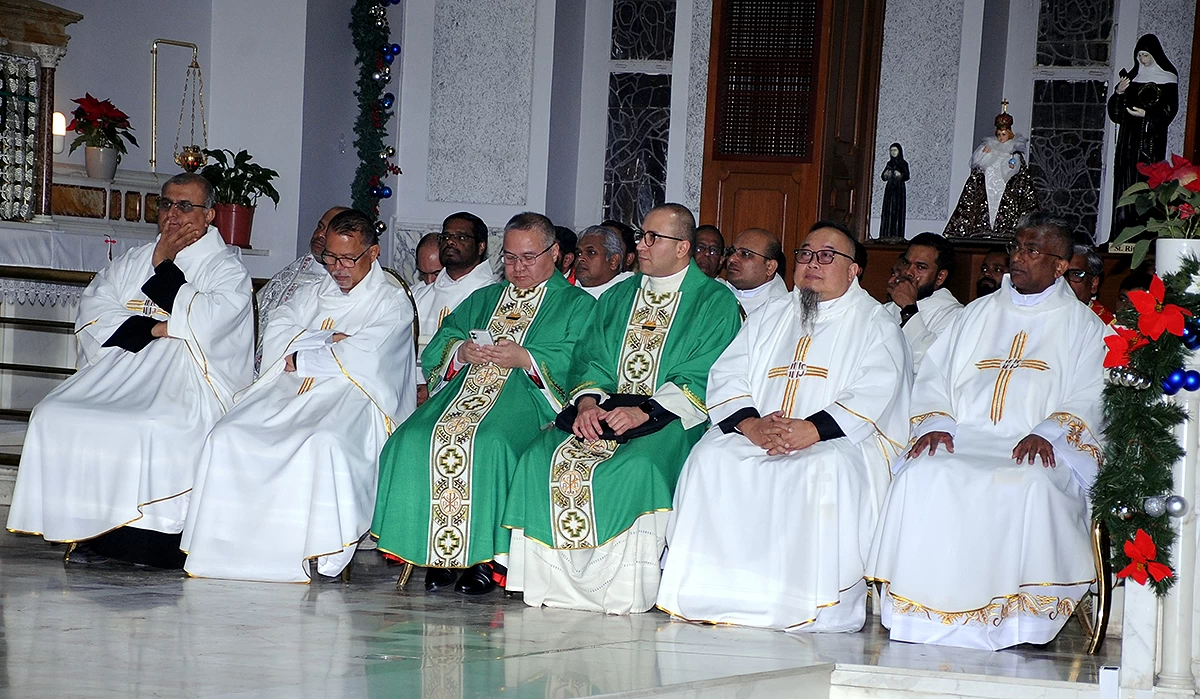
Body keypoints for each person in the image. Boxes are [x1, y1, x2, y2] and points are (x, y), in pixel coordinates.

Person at [867, 213, 1107, 651]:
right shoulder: (975, 314)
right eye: (1016, 247)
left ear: (1059, 265)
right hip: (964, 434)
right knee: (920, 475)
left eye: (1031, 251)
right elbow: (933, 375)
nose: (1017, 257)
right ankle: (916, 612)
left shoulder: (1084, 327)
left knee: (1030, 482)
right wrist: (936, 422)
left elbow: (1092, 391)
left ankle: (1016, 620)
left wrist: (1050, 432)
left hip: (1035, 443)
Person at [658, 223, 911, 631]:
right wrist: (751, 424)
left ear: (853, 271)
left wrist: (812, 430)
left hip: (837, 439)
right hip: (762, 432)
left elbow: (876, 389)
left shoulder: (874, 322)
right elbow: (729, 373)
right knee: (711, 458)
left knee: (822, 470)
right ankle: (711, 590)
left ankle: (803, 600)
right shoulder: (772, 314)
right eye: (806, 254)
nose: (812, 263)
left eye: (827, 256)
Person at [502, 203, 742, 614]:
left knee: (638, 467)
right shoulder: (617, 295)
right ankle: (548, 586)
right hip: (607, 408)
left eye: (652, 238)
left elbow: (707, 371)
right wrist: (588, 402)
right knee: (539, 456)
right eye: (640, 235)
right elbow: (590, 358)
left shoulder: (713, 302)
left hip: (674, 416)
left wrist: (646, 411)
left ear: (683, 247)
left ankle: (620, 590)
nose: (640, 245)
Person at [7, 173, 254, 568]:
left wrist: (164, 268)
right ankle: (91, 528)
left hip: (187, 378)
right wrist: (157, 327)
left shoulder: (226, 269)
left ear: (209, 216)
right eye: (167, 204)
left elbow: (213, 326)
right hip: (122, 365)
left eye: (185, 207)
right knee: (55, 413)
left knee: (154, 424)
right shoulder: (135, 259)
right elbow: (96, 310)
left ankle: (151, 541)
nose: (173, 215)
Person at [182, 210, 416, 583]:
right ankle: (224, 545)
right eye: (330, 258)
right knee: (227, 434)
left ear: (373, 254)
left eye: (348, 259)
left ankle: (317, 549)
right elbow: (279, 330)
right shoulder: (313, 290)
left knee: (324, 443)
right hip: (288, 387)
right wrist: (327, 343)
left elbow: (371, 355)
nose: (337, 268)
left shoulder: (390, 301)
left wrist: (307, 353)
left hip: (352, 396)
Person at [371, 213, 595, 596]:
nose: (517, 268)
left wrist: (526, 358)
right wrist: (462, 352)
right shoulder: (484, 297)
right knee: (411, 439)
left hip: (528, 397)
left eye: (527, 258)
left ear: (555, 253)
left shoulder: (578, 305)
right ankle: (437, 552)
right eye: (509, 258)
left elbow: (583, 359)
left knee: (490, 442)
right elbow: (446, 339)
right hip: (463, 392)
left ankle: (487, 560)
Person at [254, 206, 347, 373]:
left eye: (329, 231)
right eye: (320, 227)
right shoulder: (295, 269)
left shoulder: (340, 286)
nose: (320, 235)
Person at [1108, 34, 1179, 239]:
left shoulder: (1167, 79)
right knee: (1125, 183)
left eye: (1146, 55)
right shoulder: (1133, 78)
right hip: (1128, 141)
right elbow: (1116, 115)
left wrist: (1147, 115)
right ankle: (1121, 232)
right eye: (1139, 55)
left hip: (1149, 144)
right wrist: (1119, 93)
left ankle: (1144, 235)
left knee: (1146, 184)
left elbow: (1169, 111)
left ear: (1155, 55)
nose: (1142, 60)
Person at [944, 102, 1040, 239]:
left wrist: (1011, 167)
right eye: (999, 134)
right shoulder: (990, 147)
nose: (1001, 137)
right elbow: (979, 168)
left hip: (1005, 185)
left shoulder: (1014, 152)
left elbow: (1019, 178)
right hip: (989, 183)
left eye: (1004, 134)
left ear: (1009, 134)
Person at [413, 212, 499, 358]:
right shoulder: (417, 295)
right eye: (446, 237)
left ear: (481, 246)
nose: (450, 242)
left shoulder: (492, 296)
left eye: (461, 237)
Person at [882, 232, 963, 370]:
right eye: (907, 263)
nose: (908, 272)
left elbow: (930, 364)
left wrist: (909, 309)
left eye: (920, 267)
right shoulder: (885, 309)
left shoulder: (955, 315)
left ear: (940, 277)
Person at [720, 228, 788, 316]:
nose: (732, 259)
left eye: (745, 254)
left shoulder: (783, 311)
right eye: (732, 251)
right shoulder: (713, 292)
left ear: (770, 267)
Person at [574, 225, 632, 298]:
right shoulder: (567, 291)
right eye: (578, 253)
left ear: (613, 261)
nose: (580, 258)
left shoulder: (627, 295)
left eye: (591, 252)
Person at [1066, 245, 1114, 324]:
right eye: (1061, 275)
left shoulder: (1104, 324)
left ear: (1093, 283)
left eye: (1076, 274)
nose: (1066, 281)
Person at [879, 143, 909, 240]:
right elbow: (883, 177)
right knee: (888, 211)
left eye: (895, 150)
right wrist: (886, 174)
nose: (893, 152)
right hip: (890, 190)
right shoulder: (889, 163)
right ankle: (886, 233)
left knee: (897, 211)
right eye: (891, 150)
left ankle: (897, 234)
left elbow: (906, 176)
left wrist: (900, 174)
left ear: (899, 151)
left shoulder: (903, 163)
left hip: (899, 190)